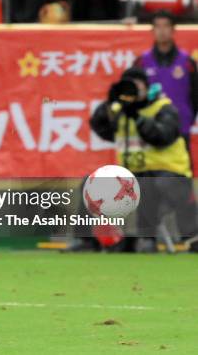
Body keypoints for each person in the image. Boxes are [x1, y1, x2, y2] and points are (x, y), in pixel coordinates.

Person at [76, 67, 198, 253]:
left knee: (146, 183)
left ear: (146, 87)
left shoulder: (163, 107)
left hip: (169, 174)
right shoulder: (119, 109)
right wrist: (110, 103)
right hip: (130, 174)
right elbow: (100, 127)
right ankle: (85, 241)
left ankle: (146, 239)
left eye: (136, 84)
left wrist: (138, 117)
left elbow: (162, 136)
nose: (131, 89)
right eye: (127, 85)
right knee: (90, 182)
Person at [133, 10, 198, 154]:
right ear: (152, 30)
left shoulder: (187, 62)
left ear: (173, 29)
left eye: (166, 26)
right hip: (150, 127)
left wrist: (187, 118)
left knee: (180, 172)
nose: (162, 31)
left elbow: (195, 95)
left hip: (180, 127)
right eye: (158, 26)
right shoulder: (141, 62)